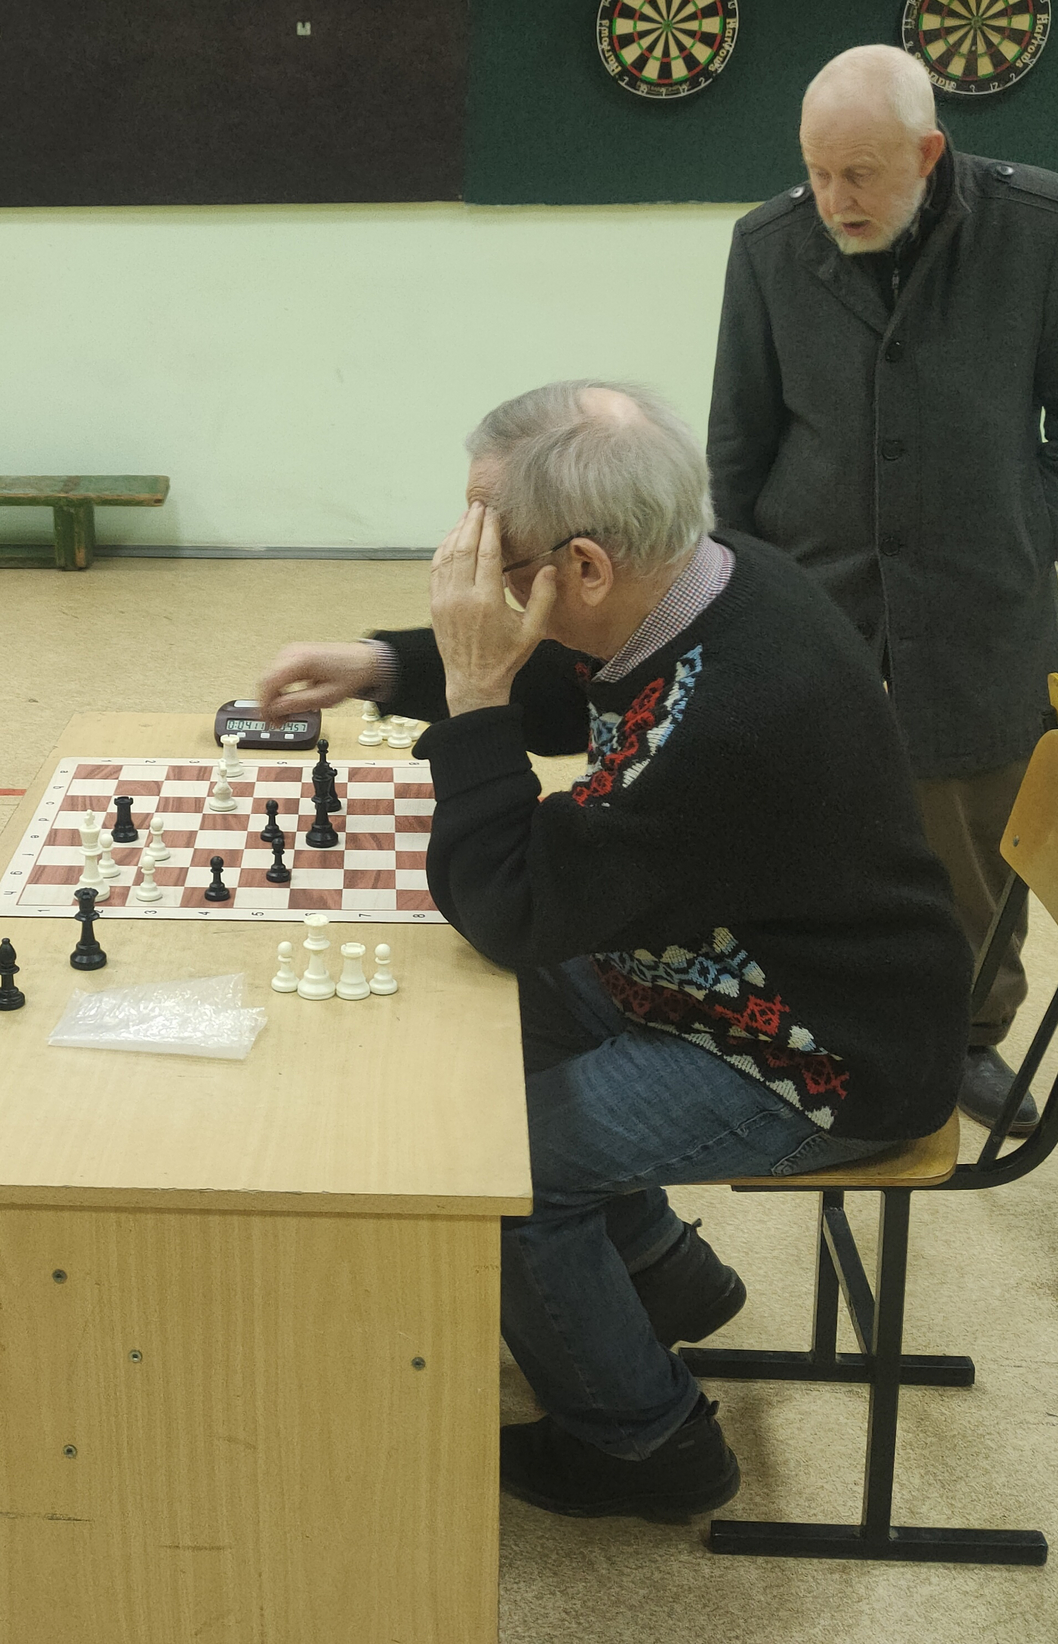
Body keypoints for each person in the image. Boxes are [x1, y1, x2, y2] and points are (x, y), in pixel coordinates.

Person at [256, 380, 971, 1521]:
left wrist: (473, 694)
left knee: (499, 1167)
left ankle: (645, 1445)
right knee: (509, 1013)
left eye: (496, 556)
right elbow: (569, 683)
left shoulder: (725, 718)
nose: (476, 579)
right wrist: (389, 665)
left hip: (826, 1052)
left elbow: (511, 904)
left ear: (584, 566)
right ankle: (659, 1277)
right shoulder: (705, 576)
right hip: (750, 964)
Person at [706, 43, 1058, 1136]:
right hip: (818, 592)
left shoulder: (1045, 226)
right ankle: (820, 1018)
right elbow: (738, 445)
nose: (833, 200)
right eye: (816, 173)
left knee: (975, 831)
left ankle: (967, 1038)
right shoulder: (765, 246)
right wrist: (752, 595)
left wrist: (1025, 540)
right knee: (814, 816)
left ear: (929, 151)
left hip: (982, 601)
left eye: (859, 174)